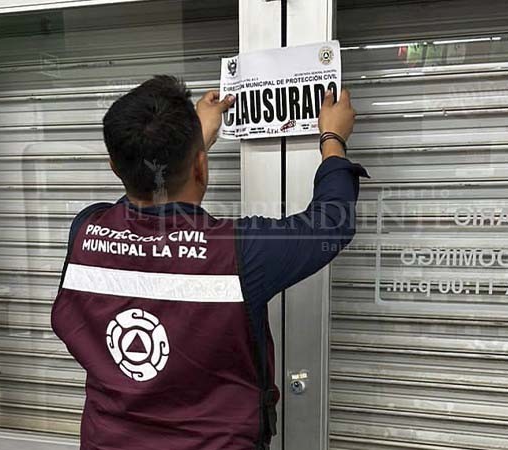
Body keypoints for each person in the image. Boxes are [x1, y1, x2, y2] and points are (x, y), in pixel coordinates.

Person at [51, 75, 367, 450]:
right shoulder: (237, 253)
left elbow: (145, 204)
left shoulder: (86, 230)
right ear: (201, 166)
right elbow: (329, 223)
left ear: (114, 167)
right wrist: (333, 138)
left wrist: (185, 149)